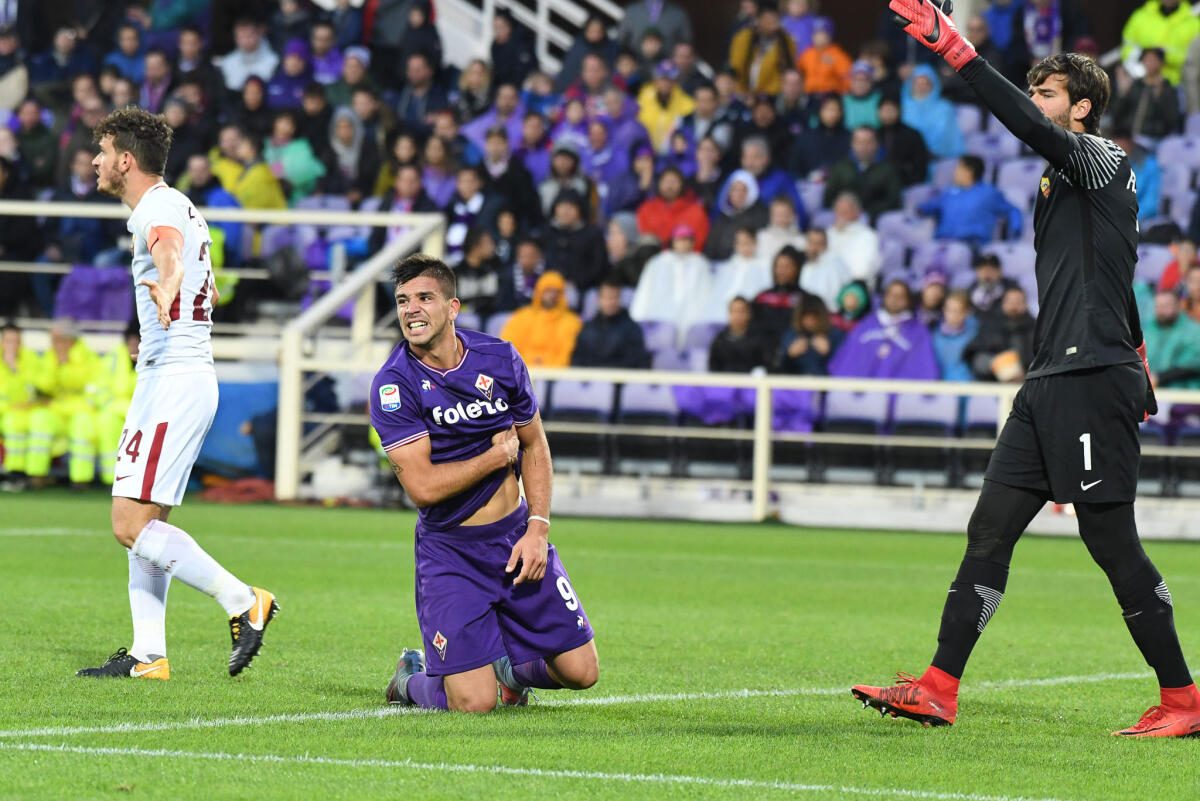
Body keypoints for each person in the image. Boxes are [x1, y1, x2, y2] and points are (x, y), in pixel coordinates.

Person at [853, 2, 1199, 738]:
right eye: (1035, 90)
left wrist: (956, 49)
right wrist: (1140, 359)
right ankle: (940, 685)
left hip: (1086, 377)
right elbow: (1115, 275)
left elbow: (1032, 129)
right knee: (990, 530)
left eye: (1048, 93)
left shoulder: (1101, 158)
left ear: (1082, 108)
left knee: (1111, 543)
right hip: (1051, 379)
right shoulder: (1063, 182)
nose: (1037, 102)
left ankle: (1183, 698)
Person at [76, 107, 277, 681]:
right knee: (148, 522)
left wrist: (166, 283)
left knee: (128, 524)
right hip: (172, 370)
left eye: (103, 150)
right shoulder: (176, 203)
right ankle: (148, 655)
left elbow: (166, 249)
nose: (95, 161)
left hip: (175, 380)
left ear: (126, 160)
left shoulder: (159, 209)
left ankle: (243, 601)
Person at [373, 255, 597, 712]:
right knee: (473, 705)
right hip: (450, 552)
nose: (411, 310)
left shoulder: (500, 359)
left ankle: (510, 674)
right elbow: (423, 488)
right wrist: (494, 456)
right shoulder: (393, 385)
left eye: (423, 298)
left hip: (515, 536)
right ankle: (410, 679)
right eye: (402, 301)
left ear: (452, 307)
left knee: (582, 672)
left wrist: (538, 530)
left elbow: (535, 445)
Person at [828, 279, 939, 380]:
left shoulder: (918, 331)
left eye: (900, 296)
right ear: (884, 297)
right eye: (891, 294)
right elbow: (844, 362)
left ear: (908, 300)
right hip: (859, 395)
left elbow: (924, 369)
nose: (895, 299)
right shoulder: (866, 325)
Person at [918, 155, 1023, 247]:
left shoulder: (989, 193)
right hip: (942, 243)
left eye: (958, 168)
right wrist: (920, 209)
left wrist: (1015, 231)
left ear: (969, 171)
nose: (955, 172)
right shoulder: (949, 192)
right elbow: (931, 206)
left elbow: (1013, 211)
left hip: (971, 245)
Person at [500, 270, 583, 367]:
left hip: (557, 375)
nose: (552, 295)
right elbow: (508, 348)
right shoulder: (521, 317)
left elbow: (568, 353)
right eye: (547, 290)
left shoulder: (571, 322)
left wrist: (548, 368)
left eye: (556, 291)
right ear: (539, 291)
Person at [823, 126, 902, 221]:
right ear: (852, 144)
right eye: (859, 142)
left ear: (876, 144)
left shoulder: (888, 168)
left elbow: (894, 201)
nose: (864, 146)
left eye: (868, 142)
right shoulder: (841, 167)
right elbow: (829, 197)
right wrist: (845, 208)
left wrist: (868, 212)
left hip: (875, 217)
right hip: (842, 216)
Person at [962, 285, 1037, 381]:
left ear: (1026, 304)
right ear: (1003, 303)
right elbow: (975, 358)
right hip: (994, 388)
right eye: (1010, 302)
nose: (1014, 306)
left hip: (1029, 385)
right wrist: (997, 364)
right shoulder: (990, 327)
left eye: (1018, 302)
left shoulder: (1036, 329)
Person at [571, 281, 651, 369]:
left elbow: (634, 360)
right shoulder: (587, 328)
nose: (610, 303)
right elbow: (578, 357)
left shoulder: (632, 328)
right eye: (606, 298)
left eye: (614, 298)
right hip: (590, 378)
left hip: (621, 379)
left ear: (620, 299)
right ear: (599, 299)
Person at [1121, 0, 1200, 87]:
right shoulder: (1140, 16)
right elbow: (1127, 49)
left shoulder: (1194, 24)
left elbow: (1194, 61)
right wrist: (1143, 64)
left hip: (1177, 86)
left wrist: (1165, 56)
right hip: (1141, 82)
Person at [1110, 48, 1181, 142]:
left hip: (1154, 140)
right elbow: (1116, 114)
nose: (1149, 63)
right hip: (1129, 139)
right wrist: (1122, 93)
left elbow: (1172, 119)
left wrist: (1159, 98)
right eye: (1146, 59)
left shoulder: (1168, 89)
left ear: (1161, 63)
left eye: (1153, 60)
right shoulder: (1135, 85)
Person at [728, 2, 796, 96]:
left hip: (774, 94)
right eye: (768, 20)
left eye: (775, 20)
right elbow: (736, 67)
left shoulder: (786, 41)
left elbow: (788, 69)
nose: (773, 24)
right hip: (745, 92)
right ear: (759, 20)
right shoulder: (744, 38)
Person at [636, 166, 710, 251]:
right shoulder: (646, 209)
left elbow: (700, 241)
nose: (670, 186)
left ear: (682, 184)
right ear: (659, 184)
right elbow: (644, 238)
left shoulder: (696, 211)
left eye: (674, 181)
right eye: (666, 181)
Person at [0, 321, 38, 482]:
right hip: (5, 410)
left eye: (17, 341)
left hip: (22, 412)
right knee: (12, 420)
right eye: (9, 341)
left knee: (15, 422)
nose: (13, 345)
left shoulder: (30, 360)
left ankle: (15, 474)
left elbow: (35, 390)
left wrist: (15, 368)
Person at [901, 63, 963, 160]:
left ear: (933, 85)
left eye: (926, 83)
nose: (921, 87)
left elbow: (949, 136)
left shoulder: (945, 107)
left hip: (938, 159)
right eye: (917, 83)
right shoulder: (901, 106)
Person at [1143, 289, 1200, 389]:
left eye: (1166, 306)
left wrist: (1159, 378)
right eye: (1158, 306)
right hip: (1150, 392)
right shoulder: (1147, 330)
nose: (1161, 310)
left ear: (1178, 306)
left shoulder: (1194, 331)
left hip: (1184, 393)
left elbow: (1192, 365)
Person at [775, 294, 843, 375]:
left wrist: (828, 354)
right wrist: (790, 356)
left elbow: (844, 367)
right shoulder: (791, 335)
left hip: (825, 384)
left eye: (814, 317)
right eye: (805, 317)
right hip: (797, 385)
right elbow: (778, 369)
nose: (809, 321)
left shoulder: (835, 335)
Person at [877, 95, 930, 188]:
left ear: (899, 111)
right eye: (885, 110)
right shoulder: (874, 135)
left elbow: (921, 165)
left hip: (908, 185)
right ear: (878, 112)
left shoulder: (913, 135)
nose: (888, 114)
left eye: (891, 110)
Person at [932, 290, 980, 382]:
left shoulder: (974, 334)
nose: (954, 315)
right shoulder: (934, 336)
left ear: (966, 312)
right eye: (950, 310)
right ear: (944, 310)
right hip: (941, 389)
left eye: (959, 311)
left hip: (969, 388)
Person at [799, 226, 850, 310]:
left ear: (826, 245)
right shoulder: (804, 263)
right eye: (811, 242)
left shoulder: (835, 266)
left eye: (819, 244)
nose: (814, 248)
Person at [796, 18, 851, 96]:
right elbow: (798, 72)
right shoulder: (807, 53)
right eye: (816, 33)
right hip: (809, 95)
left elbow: (847, 78)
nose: (818, 36)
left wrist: (842, 94)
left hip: (830, 95)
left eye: (822, 33)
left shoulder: (838, 55)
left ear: (829, 36)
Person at [967, 252, 1018, 319]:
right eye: (983, 269)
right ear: (977, 272)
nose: (987, 274)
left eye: (991, 269)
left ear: (1000, 271)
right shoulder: (969, 292)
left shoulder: (1011, 290)